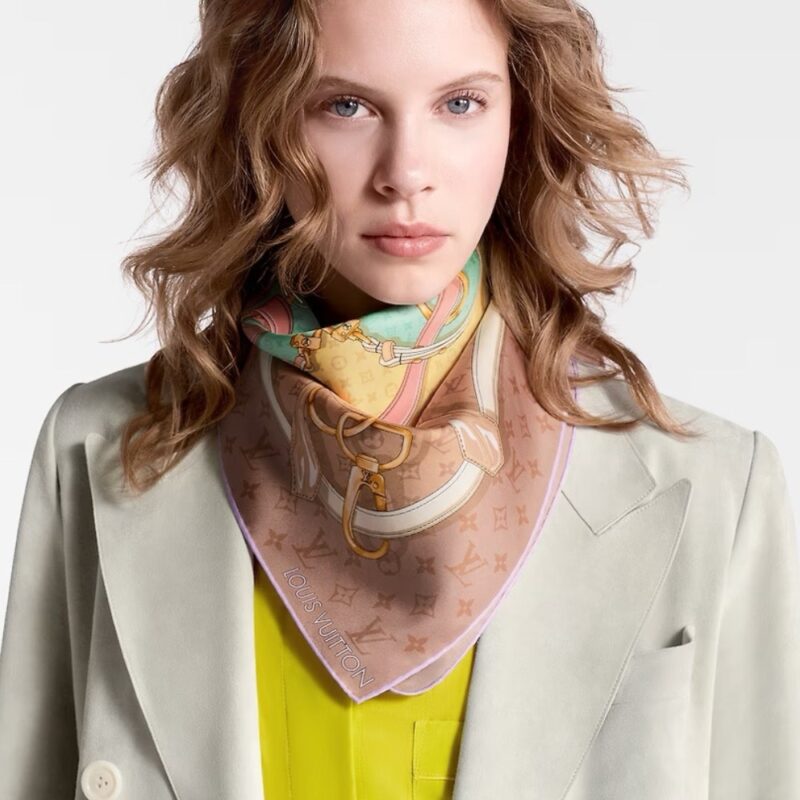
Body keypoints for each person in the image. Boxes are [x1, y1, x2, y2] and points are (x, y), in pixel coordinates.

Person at [1, 0, 798, 798]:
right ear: (258, 121)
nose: (406, 173)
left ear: (520, 117)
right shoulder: (99, 450)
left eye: (461, 103)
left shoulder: (716, 491)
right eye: (346, 106)